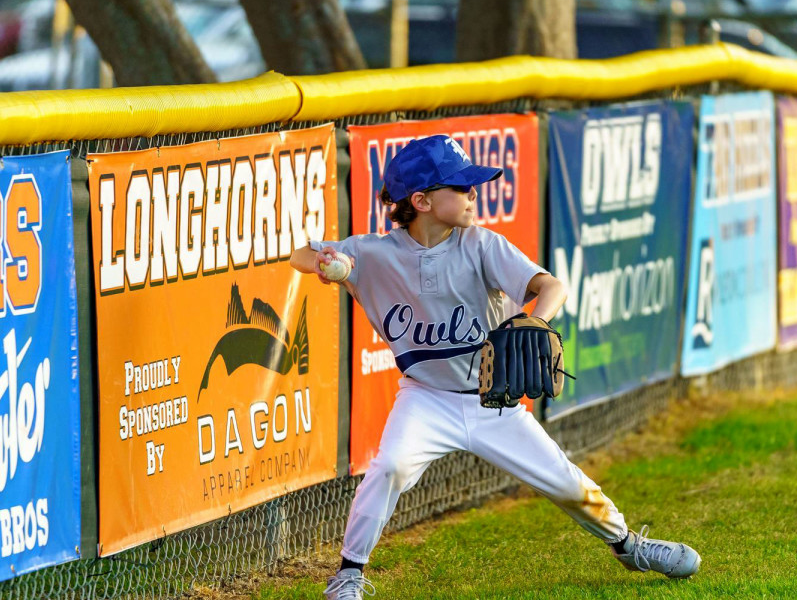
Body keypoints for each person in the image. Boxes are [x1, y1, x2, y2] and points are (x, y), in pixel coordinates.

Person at [290, 135, 701, 599]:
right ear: (421, 201)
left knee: (564, 481)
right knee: (390, 467)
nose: (473, 194)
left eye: (472, 186)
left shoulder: (482, 244)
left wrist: (533, 318)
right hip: (426, 398)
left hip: (493, 399)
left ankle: (629, 545)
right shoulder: (374, 255)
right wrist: (331, 261)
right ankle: (348, 574)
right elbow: (300, 256)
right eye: (461, 188)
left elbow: (552, 287)